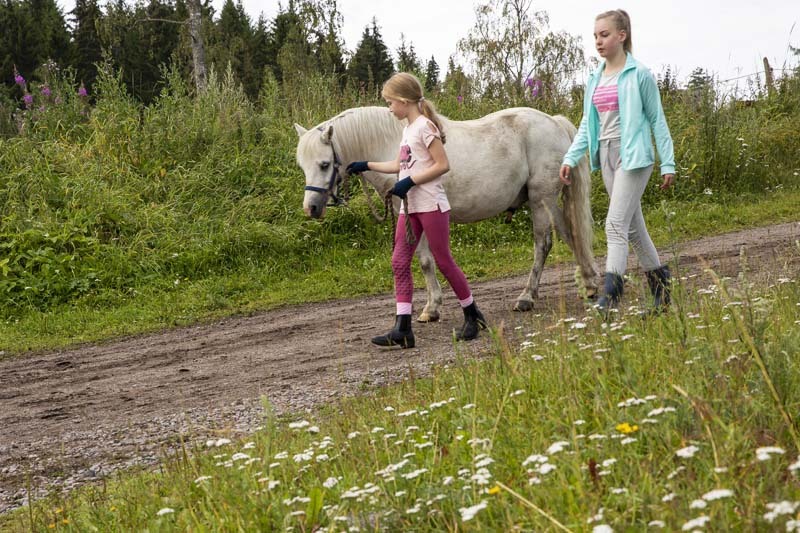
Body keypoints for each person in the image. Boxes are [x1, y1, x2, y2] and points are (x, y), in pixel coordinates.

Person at [346, 73, 486, 348]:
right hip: (410, 209)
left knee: (443, 261)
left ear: (404, 101)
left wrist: (410, 181)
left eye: (389, 102)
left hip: (431, 204)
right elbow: (401, 164)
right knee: (399, 262)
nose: (388, 108)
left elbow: (441, 165)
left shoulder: (425, 127)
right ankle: (403, 328)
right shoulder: (407, 130)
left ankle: (473, 315)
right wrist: (367, 165)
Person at [560, 9, 675, 316]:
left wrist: (668, 163)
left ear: (621, 36)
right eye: (596, 35)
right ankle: (662, 291)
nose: (598, 41)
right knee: (634, 229)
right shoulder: (596, 78)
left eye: (605, 34)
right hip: (607, 156)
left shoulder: (639, 75)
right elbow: (588, 123)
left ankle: (611, 294)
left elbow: (657, 121)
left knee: (615, 225)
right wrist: (571, 156)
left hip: (634, 157)